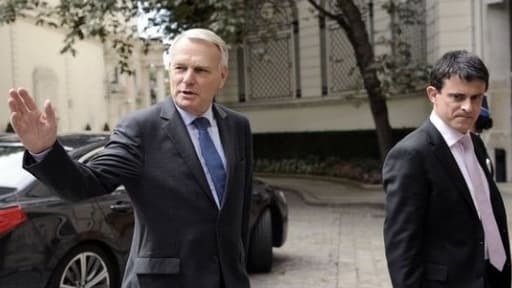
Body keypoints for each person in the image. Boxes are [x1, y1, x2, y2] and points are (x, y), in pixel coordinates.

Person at [7, 28, 253, 288]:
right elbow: (88, 183)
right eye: (180, 68)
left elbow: (240, 207)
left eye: (200, 70)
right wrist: (45, 150)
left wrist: (237, 268)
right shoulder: (141, 128)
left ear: (222, 75)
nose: (187, 79)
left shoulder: (237, 126)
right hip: (164, 282)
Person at [382, 50, 511, 287]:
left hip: (491, 276)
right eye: (457, 97)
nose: (468, 107)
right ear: (433, 94)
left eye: (476, 98)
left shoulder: (476, 144)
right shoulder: (411, 155)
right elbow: (402, 248)